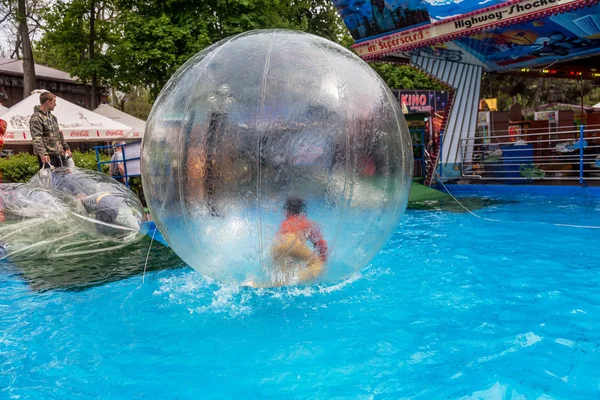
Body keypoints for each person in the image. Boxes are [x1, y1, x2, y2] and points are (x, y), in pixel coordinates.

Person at [244, 197, 328, 288]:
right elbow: (322, 245)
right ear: (303, 211)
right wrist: (319, 262)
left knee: (282, 279)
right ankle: (296, 280)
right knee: (317, 266)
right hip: (292, 241)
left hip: (276, 244)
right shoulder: (306, 222)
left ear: (286, 211)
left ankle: (255, 285)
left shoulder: (285, 223)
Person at [30, 91, 71, 169]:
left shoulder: (53, 117)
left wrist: (66, 149)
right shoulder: (36, 118)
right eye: (54, 102)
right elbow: (37, 137)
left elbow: (59, 134)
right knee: (49, 180)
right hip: (48, 157)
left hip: (59, 155)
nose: (55, 104)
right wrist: (43, 154)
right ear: (48, 102)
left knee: (62, 179)